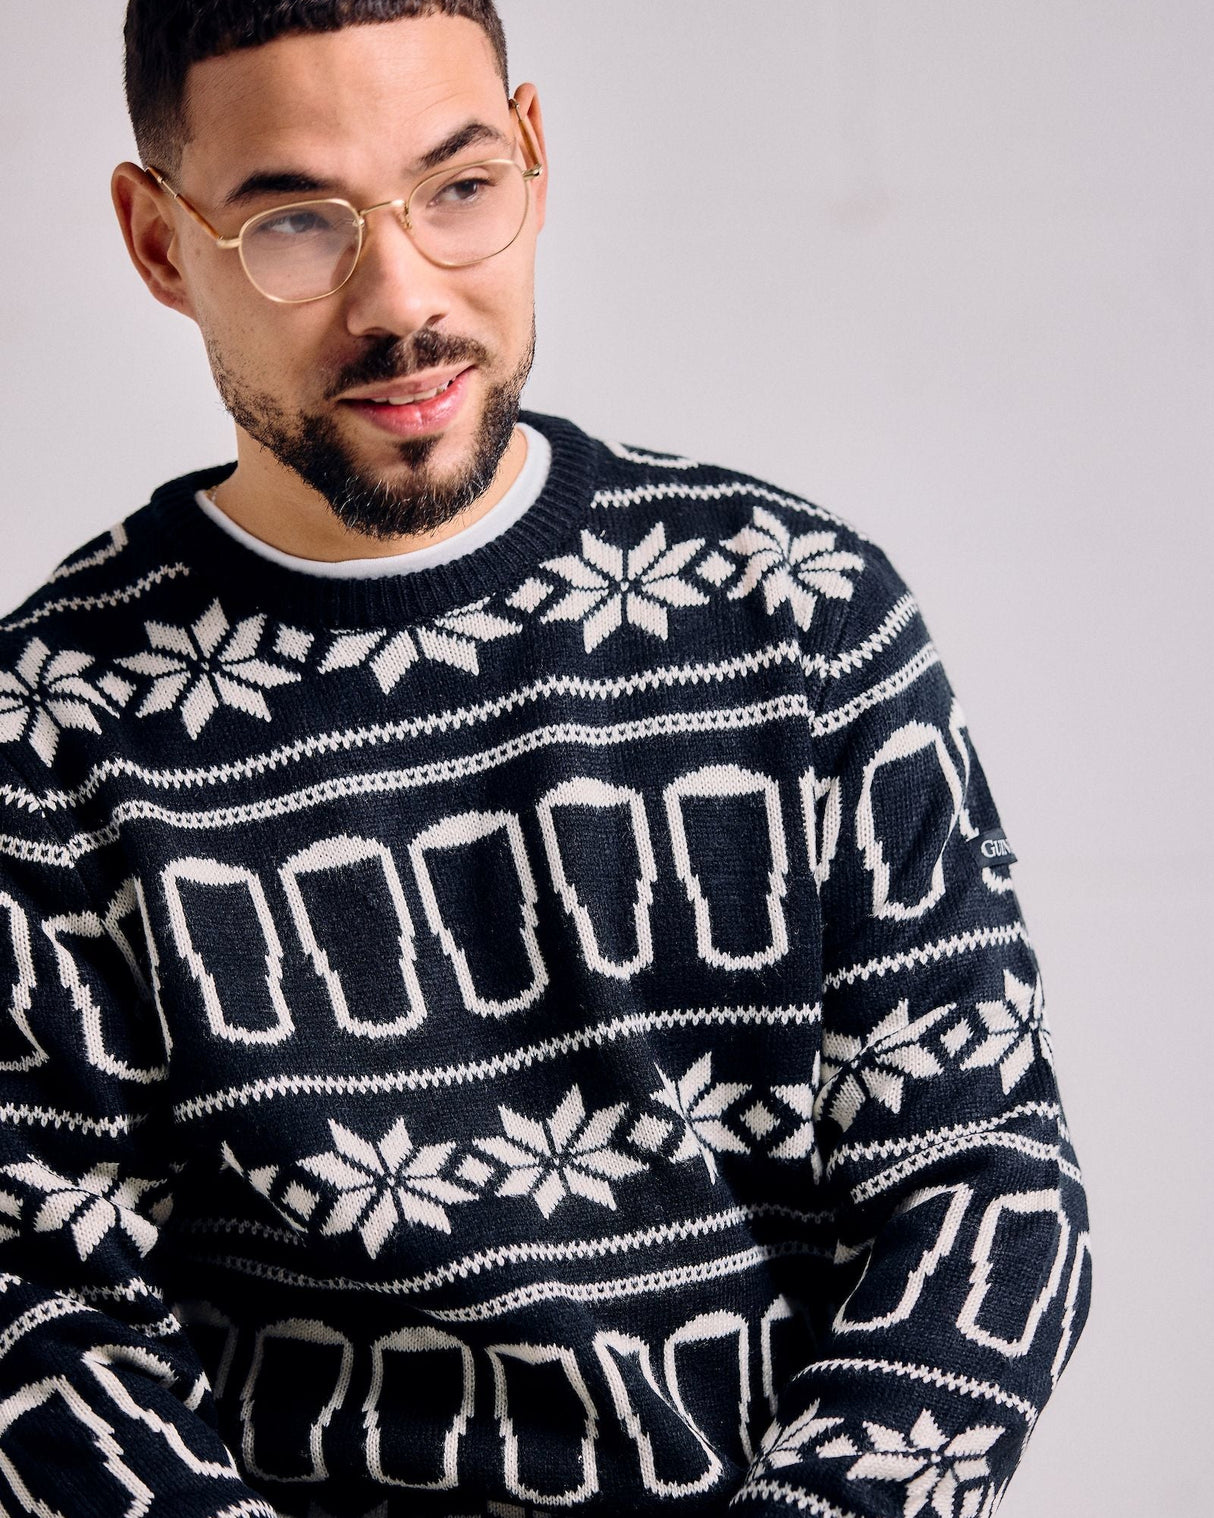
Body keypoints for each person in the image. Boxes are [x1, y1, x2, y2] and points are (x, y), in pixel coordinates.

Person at [0, 3, 1089, 1514]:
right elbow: (40, 1306)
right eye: (296, 224)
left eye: (456, 190)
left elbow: (981, 1186)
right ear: (158, 241)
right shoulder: (51, 722)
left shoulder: (797, 615)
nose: (402, 298)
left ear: (532, 156)